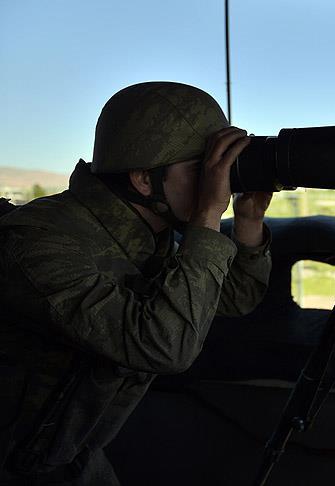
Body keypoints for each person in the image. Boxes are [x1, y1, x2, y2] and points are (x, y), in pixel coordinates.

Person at [0, 82, 273, 485]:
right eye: (203, 169)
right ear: (145, 179)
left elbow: (232, 298)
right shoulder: (39, 243)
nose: (219, 184)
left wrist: (247, 221)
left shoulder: (152, 235)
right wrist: (209, 216)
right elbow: (166, 347)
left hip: (72, 458)